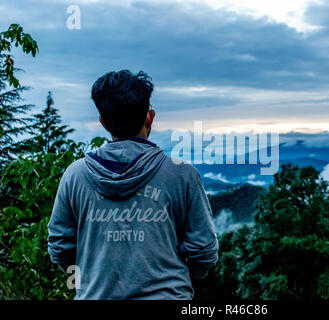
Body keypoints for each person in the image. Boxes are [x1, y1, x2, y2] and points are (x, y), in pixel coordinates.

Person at [47, 70, 219, 300]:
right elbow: (204, 251)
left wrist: (91, 280)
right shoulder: (181, 175)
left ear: (103, 121)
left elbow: (59, 248)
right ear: (150, 117)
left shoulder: (75, 176)